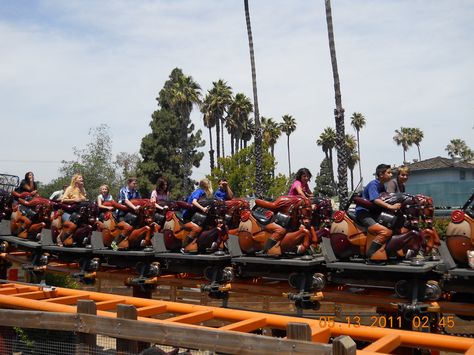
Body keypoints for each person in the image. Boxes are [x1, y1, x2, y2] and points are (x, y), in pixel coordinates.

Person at [355, 164, 401, 261]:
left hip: (374, 213)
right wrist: (390, 206)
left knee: (395, 227)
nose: (391, 175)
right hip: (364, 213)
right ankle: (370, 255)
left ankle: (390, 252)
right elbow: (375, 200)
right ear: (381, 174)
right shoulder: (374, 184)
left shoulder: (382, 186)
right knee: (385, 232)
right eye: (388, 173)